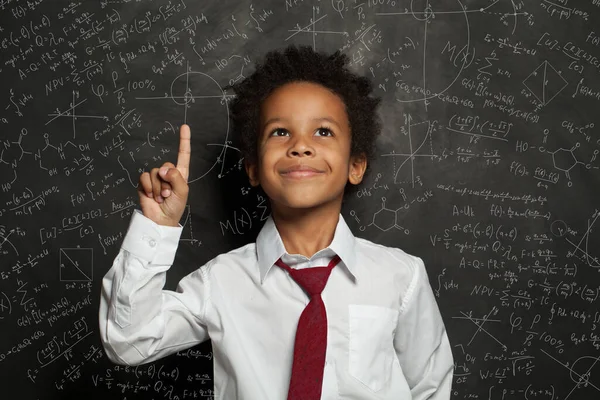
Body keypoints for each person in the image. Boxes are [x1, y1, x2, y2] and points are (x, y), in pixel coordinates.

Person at [99, 44, 453, 399]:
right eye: (280, 132)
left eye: (324, 132)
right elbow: (129, 341)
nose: (300, 146)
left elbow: (430, 387)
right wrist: (156, 227)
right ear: (253, 168)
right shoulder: (221, 282)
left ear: (355, 166)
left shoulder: (401, 277)